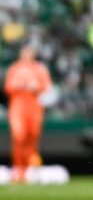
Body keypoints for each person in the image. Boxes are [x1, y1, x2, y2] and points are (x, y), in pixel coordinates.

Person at [4, 45, 52, 184]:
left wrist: (35, 87)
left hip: (33, 104)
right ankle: (18, 168)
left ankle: (31, 167)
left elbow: (46, 86)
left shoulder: (39, 68)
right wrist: (20, 86)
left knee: (33, 135)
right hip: (18, 104)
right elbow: (8, 87)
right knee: (19, 136)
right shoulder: (15, 68)